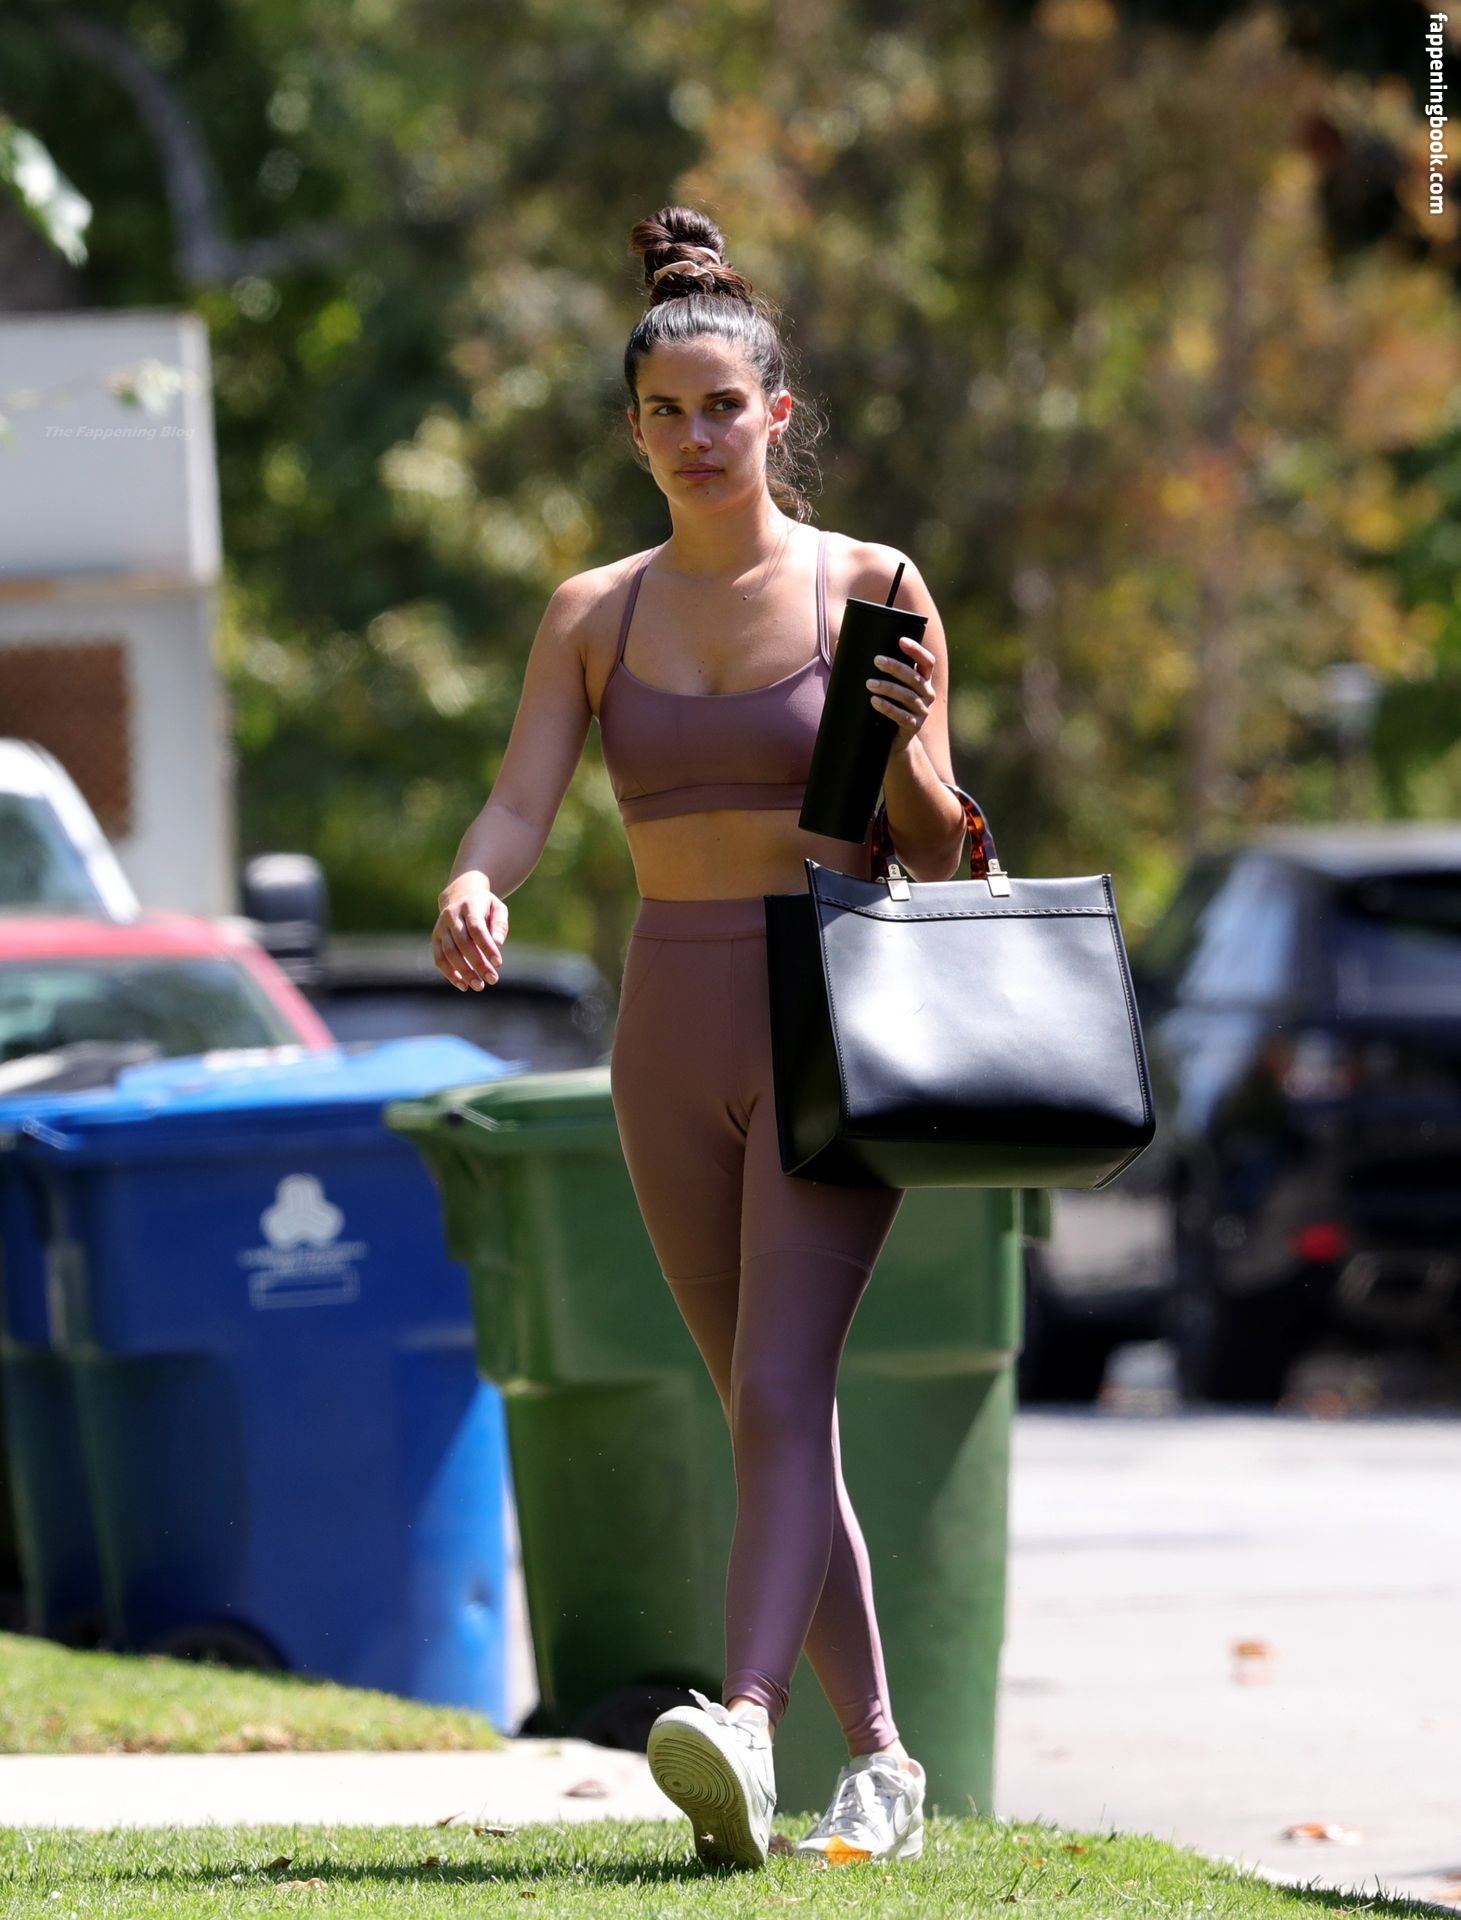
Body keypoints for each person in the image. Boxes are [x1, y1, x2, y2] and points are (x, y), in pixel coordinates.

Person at [432, 204, 968, 1872]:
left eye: (721, 407)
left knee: (783, 1385)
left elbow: (945, 846)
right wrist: (475, 879)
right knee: (760, 1403)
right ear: (633, 431)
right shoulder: (593, 613)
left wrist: (906, 753)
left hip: (829, 1014)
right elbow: (520, 802)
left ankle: (740, 1718)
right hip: (664, 1027)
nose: (692, 436)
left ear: (775, 414)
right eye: (662, 413)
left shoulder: (870, 587)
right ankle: (882, 1766)